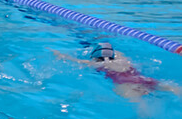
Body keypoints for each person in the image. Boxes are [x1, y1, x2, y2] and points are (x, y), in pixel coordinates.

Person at [54, 43, 182, 104]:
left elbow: (77, 61)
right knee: (172, 88)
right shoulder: (124, 60)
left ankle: (145, 116)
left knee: (138, 102)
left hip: (124, 84)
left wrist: (61, 55)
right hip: (142, 78)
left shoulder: (99, 64)